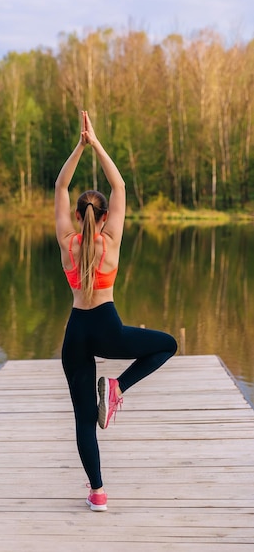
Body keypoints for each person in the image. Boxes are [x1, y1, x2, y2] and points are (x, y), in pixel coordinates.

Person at [55, 110, 177, 512]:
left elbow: (60, 184)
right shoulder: (111, 242)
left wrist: (78, 146)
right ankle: (118, 387)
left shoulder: (68, 242)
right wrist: (96, 142)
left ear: (78, 216)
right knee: (166, 345)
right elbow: (119, 183)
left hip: (76, 333)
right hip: (109, 328)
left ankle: (98, 493)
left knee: (83, 420)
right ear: (104, 217)